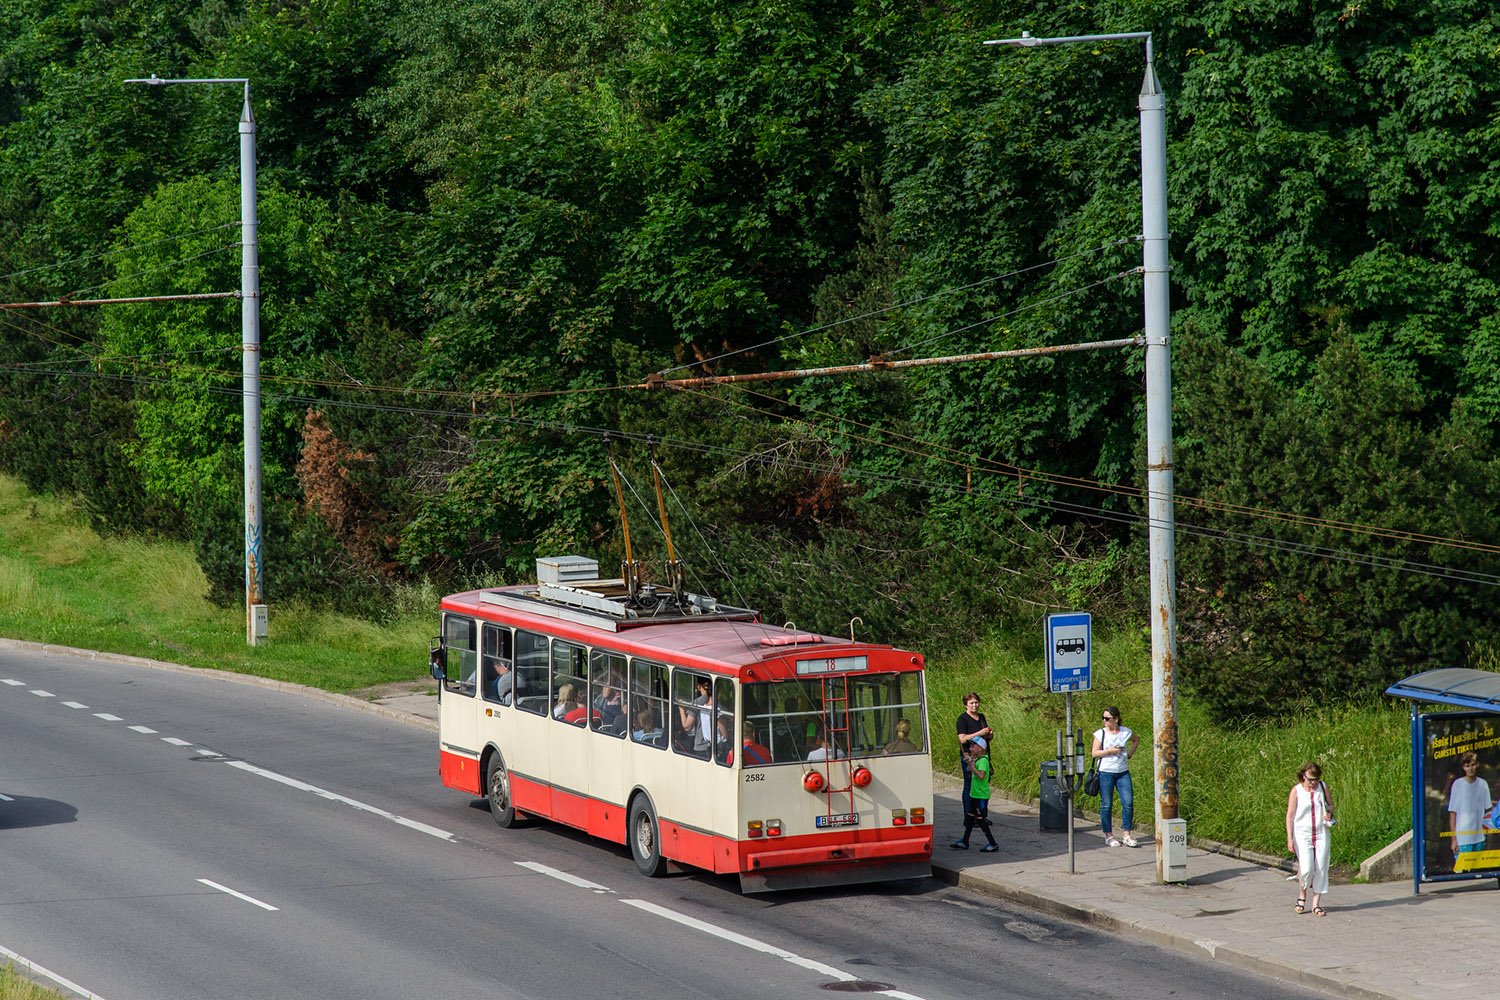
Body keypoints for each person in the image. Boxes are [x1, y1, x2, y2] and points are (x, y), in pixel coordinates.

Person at [1286, 761, 1334, 916]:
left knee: (1321, 867)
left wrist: (1329, 813)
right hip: (1302, 833)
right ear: (1303, 776)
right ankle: (1302, 895)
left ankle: (1316, 903)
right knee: (1306, 868)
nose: (1313, 783)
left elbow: (1330, 804)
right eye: (1310, 780)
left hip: (1321, 832)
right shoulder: (1296, 791)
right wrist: (1290, 838)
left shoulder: (1322, 786)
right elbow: (1290, 816)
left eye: (1316, 779)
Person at [1091, 706, 1140, 848]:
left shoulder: (1125, 732)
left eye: (1107, 718)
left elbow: (1136, 740)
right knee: (1106, 804)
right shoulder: (1100, 734)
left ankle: (1126, 834)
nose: (1104, 721)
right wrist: (1110, 751)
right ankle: (1109, 835)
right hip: (1106, 772)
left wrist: (1129, 754)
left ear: (1116, 719)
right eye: (1103, 718)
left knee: (1128, 802)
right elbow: (1094, 753)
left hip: (1123, 772)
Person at [952, 736, 998, 852]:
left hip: (981, 795)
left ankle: (992, 843)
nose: (971, 749)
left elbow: (982, 776)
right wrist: (969, 761)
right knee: (970, 818)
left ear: (981, 748)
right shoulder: (977, 759)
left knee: (981, 819)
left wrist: (972, 767)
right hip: (974, 794)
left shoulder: (983, 761)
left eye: (973, 747)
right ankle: (964, 841)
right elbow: (969, 768)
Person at [1447, 751, 1493, 866]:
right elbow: (1453, 813)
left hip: (1479, 839)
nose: (1470, 768)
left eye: (1472, 765)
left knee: (1477, 873)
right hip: (1463, 841)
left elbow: (1489, 811)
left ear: (1477, 765)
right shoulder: (1457, 785)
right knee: (1461, 873)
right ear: (1463, 767)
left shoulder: (1483, 784)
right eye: (1467, 766)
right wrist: (1454, 839)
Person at [956, 693, 993, 820]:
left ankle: (981, 814)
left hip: (982, 755)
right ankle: (969, 814)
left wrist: (989, 734)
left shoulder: (981, 717)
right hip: (969, 756)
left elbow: (987, 738)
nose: (974, 705)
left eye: (976, 702)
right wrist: (979, 733)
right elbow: (962, 739)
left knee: (982, 784)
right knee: (969, 784)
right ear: (966, 705)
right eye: (971, 703)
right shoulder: (963, 719)